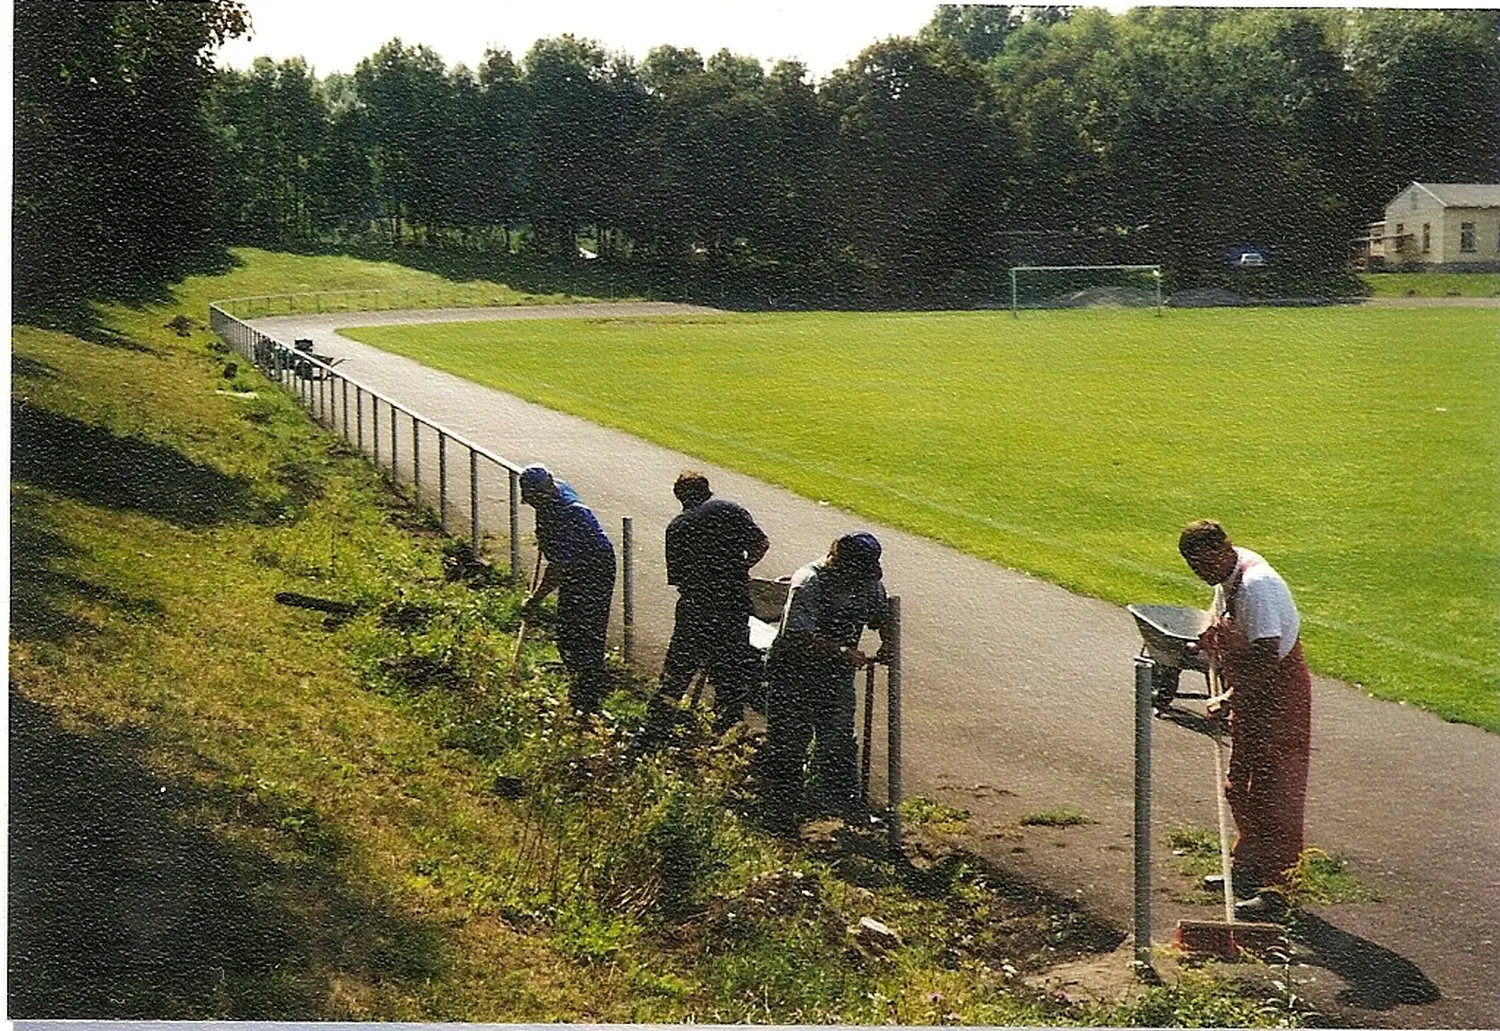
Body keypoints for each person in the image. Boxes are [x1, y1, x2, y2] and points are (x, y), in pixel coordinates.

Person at [1179, 519, 1311, 919]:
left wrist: (1230, 697)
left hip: (1279, 693)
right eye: (1194, 569)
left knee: (1275, 793)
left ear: (1225, 549)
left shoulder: (1258, 586)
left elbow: (1268, 655)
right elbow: (1223, 631)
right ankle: (1249, 866)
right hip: (1253, 692)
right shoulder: (1226, 580)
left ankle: (1280, 889)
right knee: (1241, 786)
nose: (1202, 575)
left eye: (1205, 565)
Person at [760, 532, 890, 834]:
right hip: (794, 675)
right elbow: (797, 635)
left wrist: (887, 641)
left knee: (841, 743)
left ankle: (847, 807)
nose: (859, 580)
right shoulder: (810, 582)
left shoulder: (869, 585)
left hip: (834, 679)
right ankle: (780, 815)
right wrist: (843, 651)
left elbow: (882, 614)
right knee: (788, 745)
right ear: (838, 562)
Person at [650, 471, 770, 736]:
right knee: (730, 676)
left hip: (696, 608)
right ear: (707, 490)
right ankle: (725, 736)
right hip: (732, 606)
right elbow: (761, 544)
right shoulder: (731, 510)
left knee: (677, 673)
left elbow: (679, 578)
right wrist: (740, 568)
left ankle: (655, 731)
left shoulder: (678, 527)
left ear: (679, 496)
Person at [519, 464, 616, 715]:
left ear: (545, 492)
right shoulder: (552, 495)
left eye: (532, 499)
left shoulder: (567, 514)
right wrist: (545, 536)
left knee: (586, 632)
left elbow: (557, 569)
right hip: (575, 561)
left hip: (595, 567)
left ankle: (588, 697)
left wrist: (535, 600)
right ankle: (581, 681)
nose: (529, 503)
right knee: (566, 631)